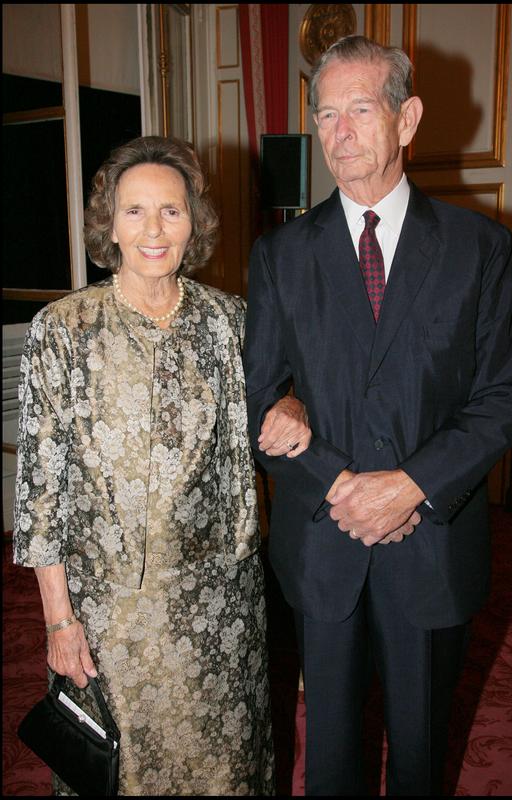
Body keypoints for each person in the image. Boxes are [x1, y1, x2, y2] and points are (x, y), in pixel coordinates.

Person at [244, 35, 512, 796]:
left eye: (358, 110)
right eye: (324, 114)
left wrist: (408, 486)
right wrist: (343, 483)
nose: (337, 132)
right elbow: (258, 398)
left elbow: (504, 393)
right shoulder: (279, 257)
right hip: (322, 548)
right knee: (328, 757)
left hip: (431, 546)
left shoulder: (479, 247)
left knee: (420, 757)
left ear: (406, 119)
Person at [12, 135, 308, 795]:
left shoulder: (231, 321)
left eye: (171, 211)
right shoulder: (64, 330)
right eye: (135, 211)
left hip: (220, 610)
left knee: (223, 769)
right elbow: (38, 495)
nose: (153, 229)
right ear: (108, 224)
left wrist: (293, 403)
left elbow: (279, 399)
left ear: (193, 225)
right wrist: (59, 620)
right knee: (121, 773)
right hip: (111, 617)